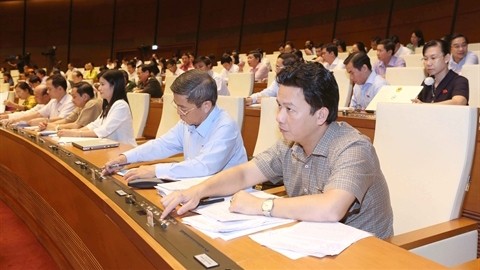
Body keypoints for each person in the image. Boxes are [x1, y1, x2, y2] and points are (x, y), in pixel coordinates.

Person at [160, 62, 394, 240]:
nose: (279, 117)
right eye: (279, 106)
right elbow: (244, 174)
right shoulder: (290, 143)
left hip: (363, 253)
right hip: (310, 241)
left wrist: (261, 206)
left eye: (290, 109)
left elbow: (332, 208)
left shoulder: (353, 148)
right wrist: (198, 191)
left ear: (321, 114)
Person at [103, 69, 247, 180]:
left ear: (206, 106)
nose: (178, 112)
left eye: (183, 108)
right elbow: (162, 145)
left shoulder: (225, 127)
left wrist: (154, 170)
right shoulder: (187, 121)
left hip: (228, 199)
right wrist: (125, 158)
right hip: (195, 188)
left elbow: (204, 167)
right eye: (176, 105)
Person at [57, 70, 136, 146]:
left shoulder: (121, 105)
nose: (99, 88)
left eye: (102, 84)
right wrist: (74, 131)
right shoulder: (109, 105)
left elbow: (104, 131)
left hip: (124, 149)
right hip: (110, 147)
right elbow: (95, 125)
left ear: (114, 85)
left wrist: (76, 133)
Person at [414, 39, 468, 105]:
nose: (428, 63)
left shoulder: (459, 81)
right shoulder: (427, 82)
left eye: (433, 58)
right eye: (425, 59)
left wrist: (425, 106)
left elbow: (459, 102)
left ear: (446, 58)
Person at [7, 74, 75, 126]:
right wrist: (14, 120)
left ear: (60, 89)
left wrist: (43, 120)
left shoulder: (70, 102)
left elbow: (62, 119)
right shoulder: (53, 100)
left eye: (49, 89)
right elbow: (38, 114)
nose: (47, 92)